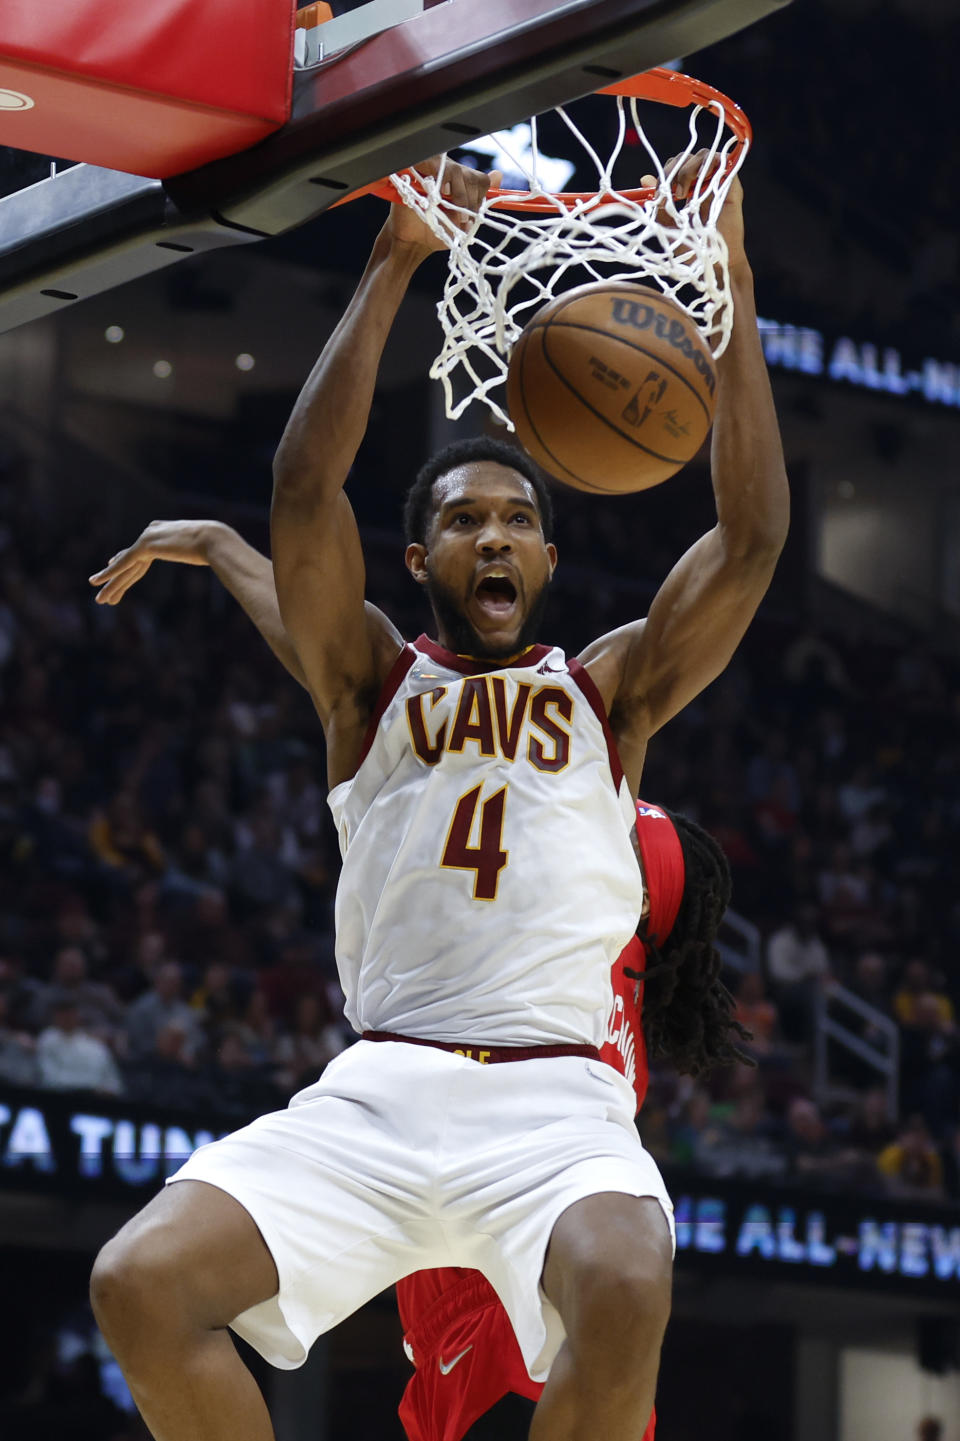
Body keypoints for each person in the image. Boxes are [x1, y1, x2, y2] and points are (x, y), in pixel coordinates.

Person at [88, 150, 788, 1441]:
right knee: (139, 1281)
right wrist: (398, 257)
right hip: (379, 1091)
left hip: (556, 1102)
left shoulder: (610, 698)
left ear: (550, 552)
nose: (496, 536)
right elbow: (303, 495)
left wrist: (732, 275)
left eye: (519, 518)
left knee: (628, 1283)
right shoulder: (364, 684)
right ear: (423, 557)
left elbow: (747, 542)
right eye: (466, 520)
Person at [89, 517, 748, 1441]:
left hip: (540, 1171)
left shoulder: (630, 833)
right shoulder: (486, 762)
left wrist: (224, 551)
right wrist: (226, 551)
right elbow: (322, 649)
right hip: (457, 1157)